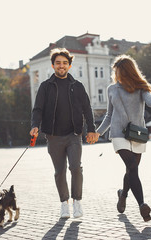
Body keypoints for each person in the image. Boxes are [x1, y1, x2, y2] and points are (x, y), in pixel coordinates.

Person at [94, 55, 151, 222]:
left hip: (137, 133)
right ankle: (142, 205)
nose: (116, 75)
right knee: (132, 165)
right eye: (115, 72)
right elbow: (109, 115)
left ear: (127, 72)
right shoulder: (112, 89)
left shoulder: (142, 87)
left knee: (131, 170)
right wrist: (98, 133)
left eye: (119, 72)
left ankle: (123, 194)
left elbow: (150, 101)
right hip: (119, 133)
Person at [30, 48, 98, 219]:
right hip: (53, 136)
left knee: (76, 167)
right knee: (59, 171)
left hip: (73, 134)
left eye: (65, 63)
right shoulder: (45, 87)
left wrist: (91, 129)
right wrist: (34, 125)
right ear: (53, 65)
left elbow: (87, 109)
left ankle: (77, 202)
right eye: (58, 63)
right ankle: (64, 204)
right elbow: (37, 109)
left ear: (69, 65)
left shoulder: (78, 86)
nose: (61, 66)